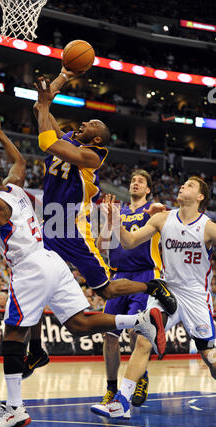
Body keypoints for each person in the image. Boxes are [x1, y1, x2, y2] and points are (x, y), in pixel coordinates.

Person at [0, 112, 175, 427]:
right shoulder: (14, 187)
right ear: (2, 180)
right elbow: (19, 161)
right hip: (50, 256)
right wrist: (0, 132)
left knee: (13, 333)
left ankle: (15, 407)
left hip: (33, 263)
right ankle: (139, 322)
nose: (83, 125)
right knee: (78, 322)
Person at [27, 71, 175, 378]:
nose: (81, 123)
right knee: (32, 282)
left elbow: (47, 143)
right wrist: (61, 77)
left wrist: (44, 103)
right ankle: (36, 350)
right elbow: (41, 110)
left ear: (96, 138)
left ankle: (152, 287)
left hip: (72, 230)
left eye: (88, 125)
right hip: (49, 227)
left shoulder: (92, 156)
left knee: (106, 291)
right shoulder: (69, 137)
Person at [104, 176, 216, 418]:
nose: (183, 186)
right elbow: (131, 241)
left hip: (197, 297)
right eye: (183, 183)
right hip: (167, 291)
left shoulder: (208, 227)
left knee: (211, 360)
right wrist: (115, 223)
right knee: (143, 339)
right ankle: (121, 401)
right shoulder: (162, 218)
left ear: (200, 197)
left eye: (190, 185)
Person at [90, 170, 165, 417]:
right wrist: (108, 221)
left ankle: (139, 376)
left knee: (136, 330)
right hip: (118, 276)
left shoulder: (154, 211)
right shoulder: (118, 212)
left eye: (141, 181)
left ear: (147, 190)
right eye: (132, 179)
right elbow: (102, 245)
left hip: (145, 274)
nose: (135, 182)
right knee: (109, 336)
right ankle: (111, 389)